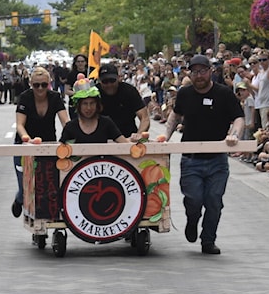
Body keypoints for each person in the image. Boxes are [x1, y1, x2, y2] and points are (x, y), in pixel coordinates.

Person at [165, 54, 244, 255]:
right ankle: (192, 220)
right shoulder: (185, 93)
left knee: (214, 201)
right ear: (189, 74)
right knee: (194, 200)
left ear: (210, 71)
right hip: (191, 159)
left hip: (217, 160)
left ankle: (208, 240)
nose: (199, 76)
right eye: (194, 72)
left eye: (202, 71)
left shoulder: (224, 94)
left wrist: (234, 135)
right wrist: (165, 136)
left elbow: (238, 118)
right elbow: (176, 115)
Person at [12, 67, 68, 218]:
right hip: (25, 146)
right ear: (30, 84)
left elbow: (65, 121)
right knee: (26, 187)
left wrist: (69, 137)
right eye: (36, 85)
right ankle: (19, 200)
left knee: (49, 185)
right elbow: (20, 124)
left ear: (49, 83)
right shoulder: (25, 97)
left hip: (48, 145)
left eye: (44, 84)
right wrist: (26, 138)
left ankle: (48, 216)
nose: (40, 88)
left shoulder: (55, 97)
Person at [59, 80, 128, 144]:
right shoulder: (70, 127)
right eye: (85, 104)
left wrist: (134, 139)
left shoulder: (106, 122)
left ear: (97, 104)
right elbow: (60, 149)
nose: (89, 108)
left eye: (92, 103)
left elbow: (124, 143)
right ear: (78, 106)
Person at [96, 63, 149, 138]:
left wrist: (139, 135)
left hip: (128, 137)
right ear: (99, 81)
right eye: (105, 81)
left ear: (118, 78)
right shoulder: (94, 93)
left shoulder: (129, 91)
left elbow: (145, 118)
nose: (109, 85)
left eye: (112, 80)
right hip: (101, 139)